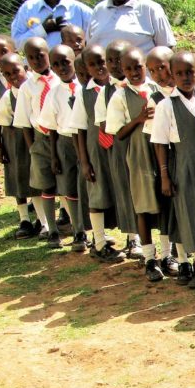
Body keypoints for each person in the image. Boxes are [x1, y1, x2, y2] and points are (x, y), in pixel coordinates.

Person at [153, 52, 195, 289]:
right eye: (179, 73)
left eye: (190, 72)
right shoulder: (166, 106)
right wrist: (164, 175)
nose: (185, 77)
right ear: (171, 76)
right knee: (190, 213)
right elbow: (160, 143)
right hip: (183, 166)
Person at [105, 46, 174, 281]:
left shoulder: (156, 89)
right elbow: (118, 133)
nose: (134, 72)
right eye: (128, 68)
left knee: (165, 202)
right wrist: (138, 119)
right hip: (139, 155)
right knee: (143, 206)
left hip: (161, 152)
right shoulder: (121, 95)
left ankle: (167, 255)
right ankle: (149, 258)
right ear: (122, 70)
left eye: (138, 67)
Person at [70, 45, 126, 262]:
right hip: (97, 151)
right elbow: (77, 131)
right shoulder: (83, 94)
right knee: (98, 193)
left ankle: (134, 240)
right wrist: (84, 161)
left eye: (103, 62)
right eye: (93, 65)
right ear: (86, 68)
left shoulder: (119, 87)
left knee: (123, 191)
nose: (100, 67)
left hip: (118, 149)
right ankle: (99, 243)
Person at [95, 39, 144, 260]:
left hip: (145, 150)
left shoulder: (147, 87)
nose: (115, 64)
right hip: (120, 149)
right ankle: (132, 239)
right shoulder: (105, 93)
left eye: (120, 59)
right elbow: (104, 126)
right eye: (111, 60)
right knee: (127, 193)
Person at [0, 36, 34, 239]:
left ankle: (45, 217)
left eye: (3, 51)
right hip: (11, 134)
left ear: (15, 51)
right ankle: (24, 219)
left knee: (37, 173)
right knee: (16, 175)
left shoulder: (29, 78)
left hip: (31, 131)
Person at [13, 37, 63, 246]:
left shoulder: (60, 80)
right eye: (31, 57)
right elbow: (24, 121)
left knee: (67, 182)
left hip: (62, 135)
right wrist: (32, 145)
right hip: (40, 138)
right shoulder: (27, 87)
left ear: (48, 54)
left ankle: (75, 225)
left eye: (40, 55)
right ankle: (51, 229)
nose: (36, 60)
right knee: (45, 184)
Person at [40, 44, 88, 252]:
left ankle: (93, 230)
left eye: (65, 62)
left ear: (74, 60)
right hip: (65, 142)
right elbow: (50, 127)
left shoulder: (84, 87)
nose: (61, 67)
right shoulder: (53, 93)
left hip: (86, 141)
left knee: (88, 185)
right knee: (70, 187)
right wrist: (54, 156)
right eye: (56, 64)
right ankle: (78, 231)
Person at [0, 53, 40, 239]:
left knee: (40, 179)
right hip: (16, 139)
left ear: (26, 69)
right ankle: (24, 219)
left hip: (37, 136)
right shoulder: (7, 97)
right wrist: (2, 147)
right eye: (7, 74)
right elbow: (2, 121)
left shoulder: (36, 88)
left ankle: (44, 220)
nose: (13, 77)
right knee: (19, 179)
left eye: (16, 71)